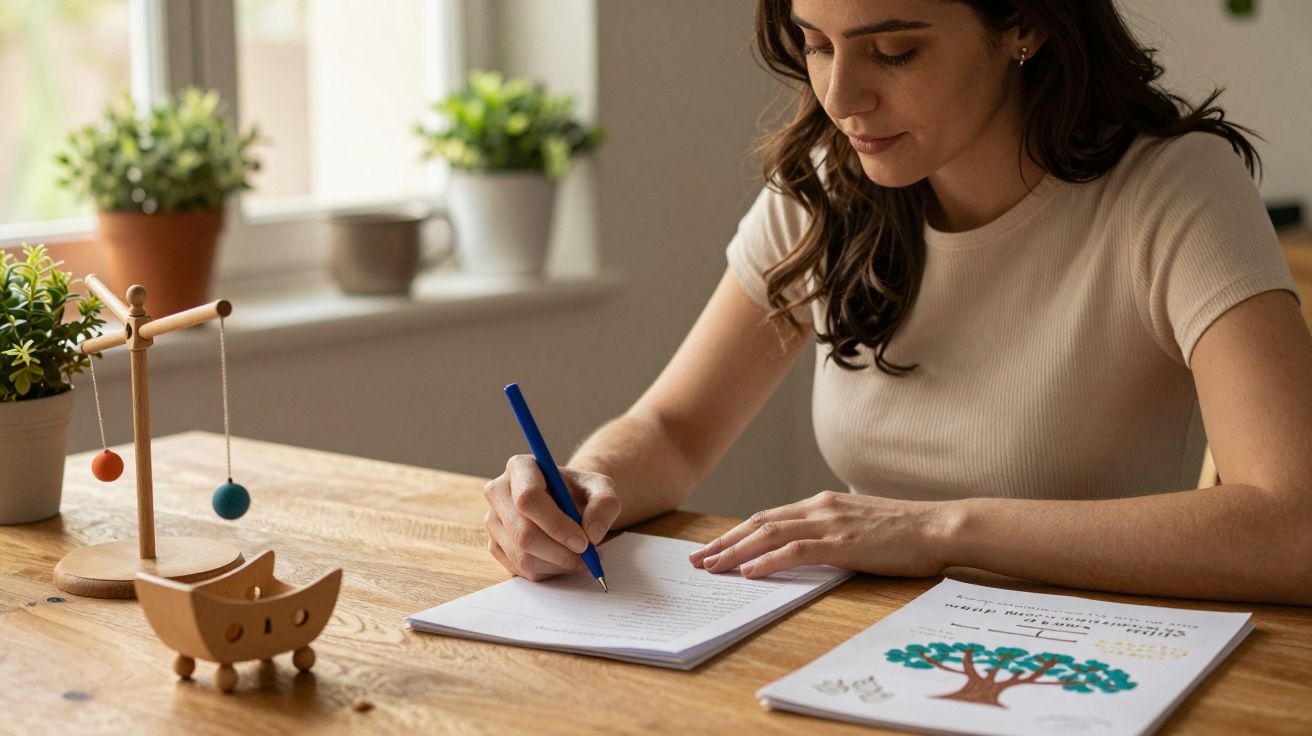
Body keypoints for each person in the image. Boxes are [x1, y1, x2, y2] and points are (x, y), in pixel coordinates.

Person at [481, 0, 1312, 606]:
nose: (842, 97)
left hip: (1100, 665)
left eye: (896, 51)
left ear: (1025, 25)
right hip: (868, 651)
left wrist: (936, 530)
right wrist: (583, 487)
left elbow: (1292, 525)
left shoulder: (1173, 192)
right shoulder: (824, 188)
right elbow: (676, 428)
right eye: (815, 44)